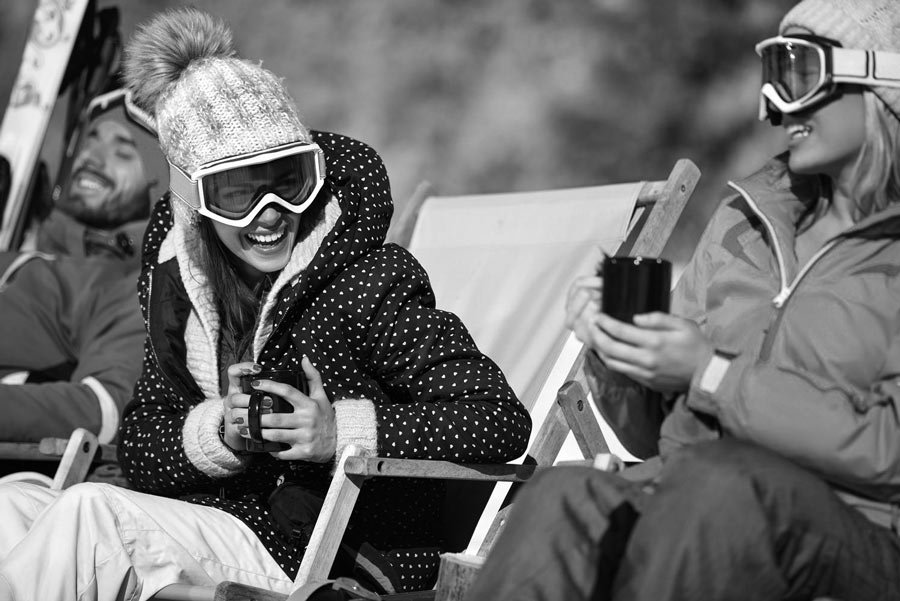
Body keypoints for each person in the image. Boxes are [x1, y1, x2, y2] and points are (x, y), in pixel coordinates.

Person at [0, 7, 531, 600]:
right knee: (9, 505)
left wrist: (339, 433)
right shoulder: (185, 299)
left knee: (90, 516)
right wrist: (220, 436)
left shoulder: (367, 282)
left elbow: (498, 420)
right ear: (193, 198)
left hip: (330, 552)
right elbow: (142, 447)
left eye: (289, 178)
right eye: (237, 192)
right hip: (218, 523)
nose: (271, 212)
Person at [465, 0, 900, 600]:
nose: (773, 106)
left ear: (883, 84)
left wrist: (712, 374)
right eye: (770, 76)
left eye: (797, 71)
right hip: (687, 502)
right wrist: (621, 353)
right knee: (562, 497)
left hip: (858, 532)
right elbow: (649, 439)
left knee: (720, 486)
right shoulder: (747, 219)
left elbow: (889, 449)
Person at [0, 90, 167, 445]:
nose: (92, 158)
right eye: (90, 140)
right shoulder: (24, 252)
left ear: (160, 181)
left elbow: (104, 407)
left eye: (123, 149)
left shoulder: (132, 288)